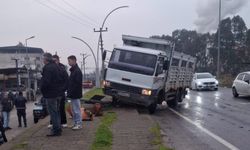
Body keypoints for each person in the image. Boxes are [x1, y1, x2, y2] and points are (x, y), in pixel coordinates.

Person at [40, 53, 62, 137]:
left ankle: (56, 130)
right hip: (57, 92)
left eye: (43, 59)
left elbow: (47, 81)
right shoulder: (56, 66)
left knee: (53, 112)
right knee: (56, 112)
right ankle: (58, 128)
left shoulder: (48, 68)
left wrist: (42, 88)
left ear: (46, 59)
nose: (42, 60)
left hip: (50, 94)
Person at [46, 55, 68, 128]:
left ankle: (63, 122)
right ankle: (53, 122)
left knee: (61, 107)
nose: (54, 62)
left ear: (58, 60)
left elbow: (66, 80)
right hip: (52, 92)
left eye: (55, 60)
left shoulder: (62, 69)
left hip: (60, 92)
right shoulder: (51, 69)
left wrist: (63, 89)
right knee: (52, 109)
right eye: (53, 60)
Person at [67, 55, 83, 130]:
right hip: (73, 93)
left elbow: (77, 84)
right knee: (74, 109)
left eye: (69, 61)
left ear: (74, 60)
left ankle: (79, 124)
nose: (68, 62)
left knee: (76, 109)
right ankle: (76, 123)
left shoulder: (77, 71)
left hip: (75, 94)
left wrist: (71, 91)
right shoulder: (74, 70)